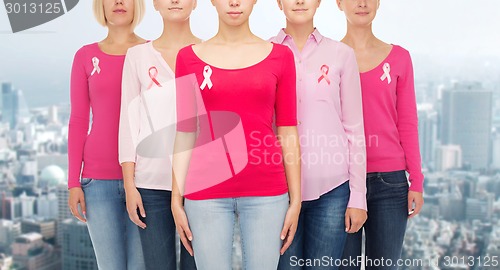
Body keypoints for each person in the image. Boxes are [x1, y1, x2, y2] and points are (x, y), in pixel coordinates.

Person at [171, 0, 301, 269]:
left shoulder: (282, 56)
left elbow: (287, 129)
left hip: (267, 191)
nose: (234, 2)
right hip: (205, 192)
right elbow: (184, 132)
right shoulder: (187, 58)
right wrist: (176, 199)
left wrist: (296, 200)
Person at [270, 1, 367, 269]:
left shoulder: (341, 55)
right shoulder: (263, 53)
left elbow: (354, 128)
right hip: (279, 191)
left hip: (332, 192)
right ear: (279, 3)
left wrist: (358, 196)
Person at [336, 0, 424, 269]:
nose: (361, 3)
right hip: (342, 182)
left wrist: (417, 181)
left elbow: (407, 122)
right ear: (339, 3)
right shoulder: (329, 57)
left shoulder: (399, 58)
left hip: (391, 185)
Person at [119, 0, 201, 269]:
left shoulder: (210, 53)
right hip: (150, 186)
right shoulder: (137, 56)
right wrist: (130, 186)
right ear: (155, 4)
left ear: (196, 3)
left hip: (200, 184)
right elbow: (129, 124)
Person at [67, 0, 146, 269]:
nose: (119, 2)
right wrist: (73, 182)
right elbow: (78, 120)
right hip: (97, 183)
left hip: (145, 179)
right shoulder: (85, 56)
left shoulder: (152, 53)